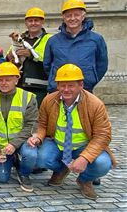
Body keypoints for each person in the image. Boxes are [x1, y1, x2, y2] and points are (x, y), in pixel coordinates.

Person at [23, 64, 115, 200]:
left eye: (71, 85)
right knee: (40, 157)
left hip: (83, 146)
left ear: (81, 85)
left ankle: (84, 179)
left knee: (103, 163)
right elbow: (42, 124)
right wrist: (38, 137)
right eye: (62, 85)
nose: (66, 90)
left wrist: (85, 158)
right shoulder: (49, 100)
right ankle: (61, 170)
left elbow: (103, 135)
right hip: (58, 144)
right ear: (57, 85)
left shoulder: (95, 104)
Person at [0, 62, 38, 192]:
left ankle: (24, 173)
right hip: (2, 146)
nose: (4, 83)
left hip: (23, 142)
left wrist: (14, 144)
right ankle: (13, 160)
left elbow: (31, 124)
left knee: (30, 154)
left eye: (8, 80)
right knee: (1, 178)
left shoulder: (28, 97)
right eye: (0, 80)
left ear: (16, 79)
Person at [44, 0, 108, 93]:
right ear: (63, 18)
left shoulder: (96, 39)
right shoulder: (53, 41)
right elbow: (47, 66)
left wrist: (90, 80)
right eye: (69, 15)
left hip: (85, 89)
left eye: (76, 15)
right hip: (58, 90)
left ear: (83, 17)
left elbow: (102, 65)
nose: (72, 18)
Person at [6, 7, 52, 106]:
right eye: (30, 21)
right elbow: (9, 56)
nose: (33, 23)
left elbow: (51, 59)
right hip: (19, 85)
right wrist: (10, 57)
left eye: (36, 20)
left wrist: (31, 55)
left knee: (35, 118)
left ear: (42, 22)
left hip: (38, 87)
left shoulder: (49, 38)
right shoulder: (20, 38)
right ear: (26, 23)